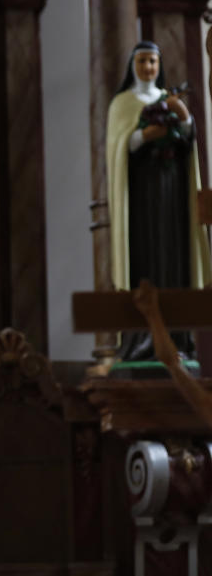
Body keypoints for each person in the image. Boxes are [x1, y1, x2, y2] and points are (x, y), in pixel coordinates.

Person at [105, 41, 211, 362]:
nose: (148, 68)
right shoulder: (121, 104)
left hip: (171, 193)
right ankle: (141, 341)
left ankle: (177, 338)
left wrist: (185, 120)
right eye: (142, 61)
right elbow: (118, 147)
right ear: (132, 66)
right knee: (145, 259)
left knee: (172, 257)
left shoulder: (168, 100)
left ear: (159, 65)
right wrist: (142, 136)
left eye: (153, 62)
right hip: (140, 197)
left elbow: (188, 142)